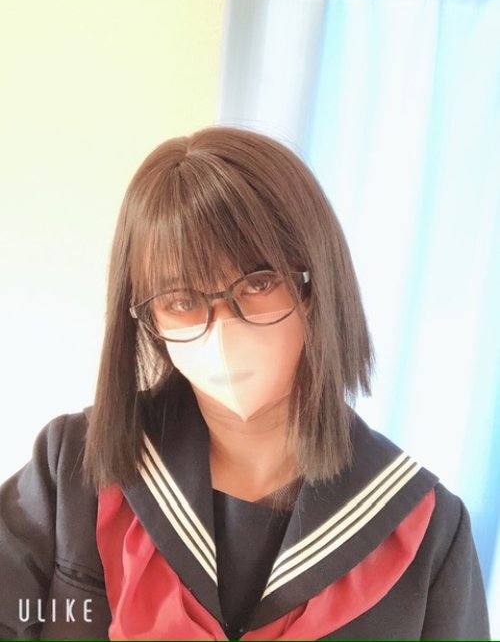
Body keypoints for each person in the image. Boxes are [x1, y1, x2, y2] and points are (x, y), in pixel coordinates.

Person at [0, 126, 490, 640]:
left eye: (258, 283)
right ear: (146, 318)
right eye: (181, 301)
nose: (222, 328)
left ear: (317, 286)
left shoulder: (424, 528)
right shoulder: (75, 469)